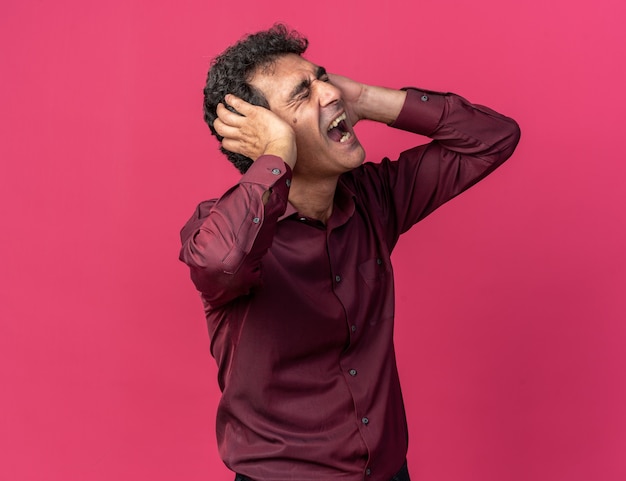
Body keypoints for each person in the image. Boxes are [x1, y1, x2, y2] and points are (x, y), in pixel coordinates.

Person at [179, 24, 520, 481]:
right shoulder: (218, 229)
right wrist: (279, 152)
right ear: (258, 133)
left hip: (387, 471)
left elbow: (493, 137)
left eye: (324, 78)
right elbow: (222, 264)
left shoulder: (373, 199)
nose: (328, 92)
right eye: (303, 94)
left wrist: (363, 98)